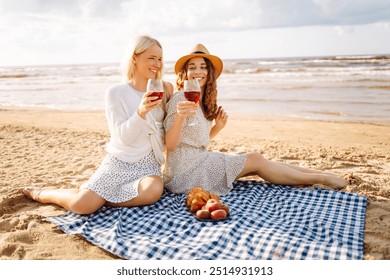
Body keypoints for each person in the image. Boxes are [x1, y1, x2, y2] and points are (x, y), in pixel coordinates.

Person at [163, 43, 346, 196]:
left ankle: (321, 173)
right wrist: (180, 116)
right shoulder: (181, 99)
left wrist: (218, 127)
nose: (198, 72)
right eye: (192, 67)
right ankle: (319, 179)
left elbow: (197, 143)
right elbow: (169, 145)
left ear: (210, 72)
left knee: (260, 162)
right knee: (256, 160)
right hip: (184, 174)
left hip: (200, 161)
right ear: (185, 73)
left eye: (203, 67)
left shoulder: (202, 101)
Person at [22, 35, 173, 214]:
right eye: (151, 58)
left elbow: (171, 130)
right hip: (119, 161)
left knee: (153, 191)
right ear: (134, 58)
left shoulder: (165, 90)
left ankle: (103, 200)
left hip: (147, 164)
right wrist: (140, 112)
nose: (157, 64)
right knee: (81, 206)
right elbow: (123, 138)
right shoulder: (115, 92)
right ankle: (43, 193)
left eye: (160, 59)